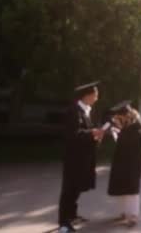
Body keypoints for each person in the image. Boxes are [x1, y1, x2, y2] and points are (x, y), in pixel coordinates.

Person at [58, 81, 105, 233]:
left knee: (76, 188)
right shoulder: (74, 111)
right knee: (69, 189)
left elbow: (85, 132)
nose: (97, 98)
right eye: (95, 95)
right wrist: (92, 133)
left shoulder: (86, 111)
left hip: (83, 158)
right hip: (73, 159)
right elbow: (72, 134)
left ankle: (72, 215)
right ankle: (63, 223)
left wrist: (96, 135)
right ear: (87, 95)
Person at [107, 100, 141, 228]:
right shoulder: (128, 125)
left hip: (132, 162)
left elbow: (129, 143)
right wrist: (118, 131)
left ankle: (133, 215)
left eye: (119, 117)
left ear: (127, 115)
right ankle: (123, 213)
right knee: (122, 187)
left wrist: (118, 133)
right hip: (123, 161)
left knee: (132, 189)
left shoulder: (136, 126)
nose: (117, 119)